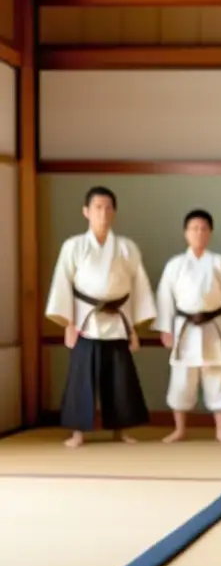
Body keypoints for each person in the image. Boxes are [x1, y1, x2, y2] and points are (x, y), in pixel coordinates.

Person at [43, 186, 156, 448]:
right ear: (86, 212)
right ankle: (78, 432)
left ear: (114, 212)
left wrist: (134, 327)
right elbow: (63, 283)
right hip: (85, 318)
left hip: (118, 318)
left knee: (120, 378)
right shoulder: (74, 246)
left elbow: (139, 286)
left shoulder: (127, 247)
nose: (103, 213)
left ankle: (122, 430)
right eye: (97, 208)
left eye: (107, 208)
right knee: (81, 377)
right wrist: (68, 323)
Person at [154, 210, 221, 444]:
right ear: (185, 233)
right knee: (181, 378)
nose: (198, 232)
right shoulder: (175, 264)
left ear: (210, 233)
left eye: (203, 228)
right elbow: (165, 298)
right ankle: (180, 429)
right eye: (194, 228)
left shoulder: (220, 263)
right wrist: (165, 329)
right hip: (184, 326)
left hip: (213, 326)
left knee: (217, 376)